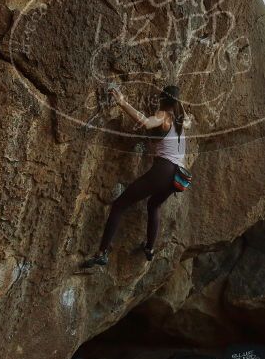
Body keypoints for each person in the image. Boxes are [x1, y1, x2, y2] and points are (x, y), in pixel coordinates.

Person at [82, 85, 191, 268]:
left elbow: (147, 123)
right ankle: (149, 248)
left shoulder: (164, 116)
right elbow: (188, 120)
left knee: (119, 205)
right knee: (153, 205)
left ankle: (102, 253)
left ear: (163, 100)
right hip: (177, 178)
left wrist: (122, 103)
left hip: (163, 170)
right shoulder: (183, 121)